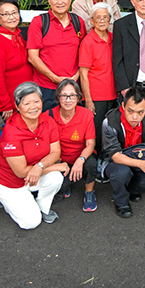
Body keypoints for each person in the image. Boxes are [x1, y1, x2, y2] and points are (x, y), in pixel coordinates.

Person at [0, 82, 67, 229]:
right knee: (31, 223)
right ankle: (1, 197)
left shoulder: (48, 121)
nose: (33, 107)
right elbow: (20, 172)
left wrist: (40, 166)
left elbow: (55, 151)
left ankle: (42, 208)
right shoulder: (11, 132)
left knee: (56, 178)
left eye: (37, 101)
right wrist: (54, 166)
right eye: (27, 103)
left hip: (32, 175)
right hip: (9, 182)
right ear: (18, 107)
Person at [101, 88, 145, 218]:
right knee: (121, 173)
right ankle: (121, 201)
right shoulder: (110, 122)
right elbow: (115, 155)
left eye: (140, 112)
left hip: (139, 157)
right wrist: (141, 164)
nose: (135, 117)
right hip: (115, 162)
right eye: (130, 111)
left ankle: (132, 189)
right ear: (123, 106)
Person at [28, 0, 85, 111]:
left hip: (72, 86)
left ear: (70, 0)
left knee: (72, 127)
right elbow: (33, 57)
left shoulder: (78, 22)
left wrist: (76, 76)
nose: (60, 2)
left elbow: (83, 53)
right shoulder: (39, 22)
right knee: (46, 126)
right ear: (49, 0)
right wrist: (54, 78)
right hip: (46, 87)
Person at [49, 79, 97, 212]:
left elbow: (90, 144)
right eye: (64, 96)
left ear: (78, 98)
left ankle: (89, 193)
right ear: (58, 98)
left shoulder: (86, 114)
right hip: (59, 160)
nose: (68, 100)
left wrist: (80, 160)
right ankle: (68, 183)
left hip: (80, 156)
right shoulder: (49, 115)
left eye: (72, 95)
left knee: (91, 164)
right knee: (60, 188)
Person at [78, 2, 118, 151]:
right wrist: (88, 100)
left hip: (113, 94)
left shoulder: (114, 38)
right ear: (92, 21)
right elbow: (83, 73)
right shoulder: (87, 42)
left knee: (111, 130)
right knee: (97, 132)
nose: (102, 20)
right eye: (98, 18)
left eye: (105, 17)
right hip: (96, 96)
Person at [0, 0, 34, 120]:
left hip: (27, 97)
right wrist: (5, 104)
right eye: (6, 14)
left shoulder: (16, 35)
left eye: (14, 13)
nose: (11, 17)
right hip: (12, 101)